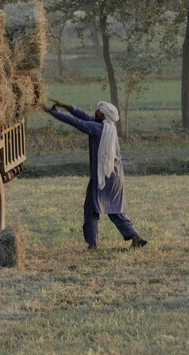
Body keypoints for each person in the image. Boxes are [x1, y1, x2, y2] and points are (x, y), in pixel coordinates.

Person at [42, 99, 147, 249]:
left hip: (103, 177)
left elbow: (75, 121)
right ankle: (134, 237)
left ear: (104, 116)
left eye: (99, 110)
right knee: (114, 209)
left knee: (93, 210)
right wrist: (67, 105)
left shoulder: (98, 129)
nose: (95, 111)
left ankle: (93, 244)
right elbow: (82, 115)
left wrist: (51, 112)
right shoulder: (109, 127)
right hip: (115, 177)